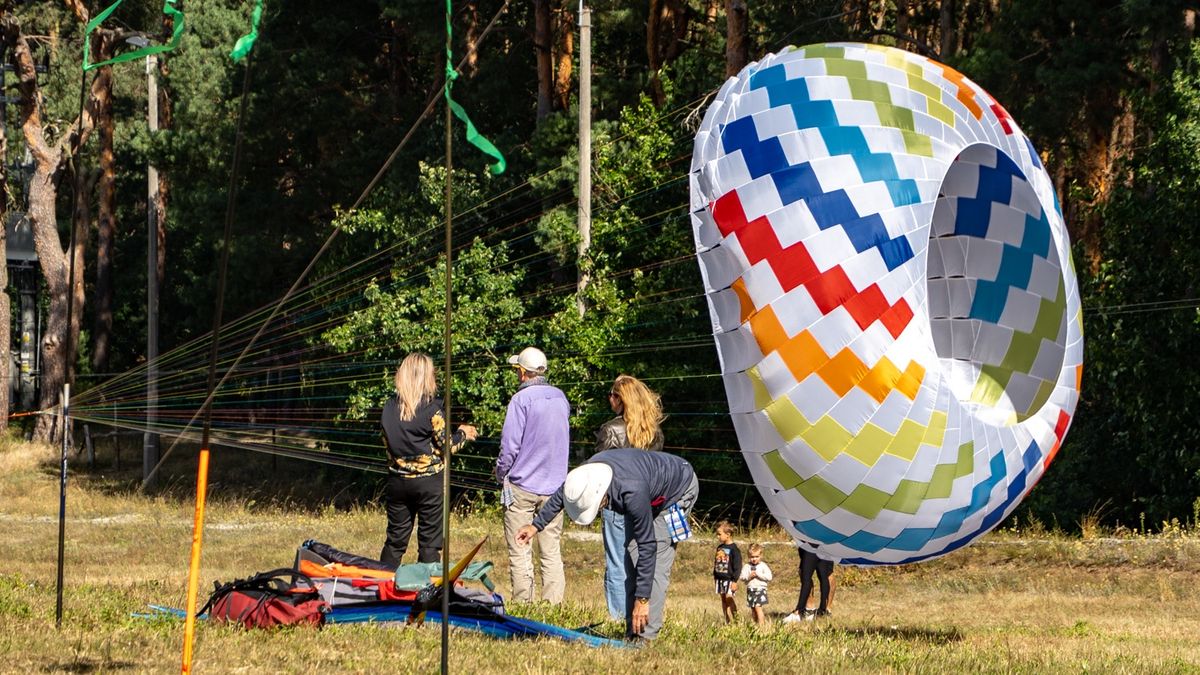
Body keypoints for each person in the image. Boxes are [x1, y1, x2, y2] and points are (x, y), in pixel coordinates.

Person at [515, 449, 699, 640]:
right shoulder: (587, 473)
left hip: (677, 491)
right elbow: (563, 493)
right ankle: (632, 631)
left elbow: (648, 546)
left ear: (602, 494)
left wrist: (643, 599)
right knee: (631, 555)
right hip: (646, 489)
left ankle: (645, 637)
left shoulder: (631, 491)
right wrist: (536, 526)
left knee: (656, 564)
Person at [379, 353, 477, 567]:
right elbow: (447, 445)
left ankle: (381, 585)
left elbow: (387, 444)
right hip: (429, 484)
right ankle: (427, 593)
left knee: (395, 541)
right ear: (426, 377)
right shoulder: (432, 409)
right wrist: (463, 434)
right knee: (430, 543)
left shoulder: (388, 407)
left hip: (397, 482)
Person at [495, 346, 571, 604]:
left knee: (520, 549)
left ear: (523, 373)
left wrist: (500, 473)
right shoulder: (561, 398)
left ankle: (524, 605)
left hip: (523, 485)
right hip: (556, 488)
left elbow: (510, 446)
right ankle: (552, 607)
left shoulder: (521, 400)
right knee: (551, 552)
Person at [594, 374, 665, 620]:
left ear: (621, 400)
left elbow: (598, 471)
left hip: (617, 504)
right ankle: (642, 613)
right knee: (641, 558)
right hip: (646, 505)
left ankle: (618, 617)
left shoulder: (610, 430)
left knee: (617, 563)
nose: (609, 398)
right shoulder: (653, 432)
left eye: (613, 394)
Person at [784, 546, 835, 622]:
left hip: (813, 544)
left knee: (810, 576)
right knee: (822, 576)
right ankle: (817, 609)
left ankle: (799, 612)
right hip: (819, 544)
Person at [712, 521, 741, 624]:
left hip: (729, 579)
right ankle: (727, 620)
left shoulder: (734, 549)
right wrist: (715, 576)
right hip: (720, 579)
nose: (718, 536)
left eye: (719, 534)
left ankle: (736, 620)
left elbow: (737, 566)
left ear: (728, 535)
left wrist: (734, 581)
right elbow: (717, 562)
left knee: (729, 598)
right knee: (723, 600)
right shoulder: (719, 548)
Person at [738, 543, 773, 626]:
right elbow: (742, 577)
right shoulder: (747, 566)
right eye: (752, 557)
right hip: (751, 589)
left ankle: (761, 626)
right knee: (753, 608)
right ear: (748, 556)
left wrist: (758, 574)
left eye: (756, 557)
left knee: (758, 608)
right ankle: (755, 624)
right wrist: (749, 577)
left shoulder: (763, 566)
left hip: (760, 589)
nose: (754, 559)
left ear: (760, 556)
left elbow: (769, 577)